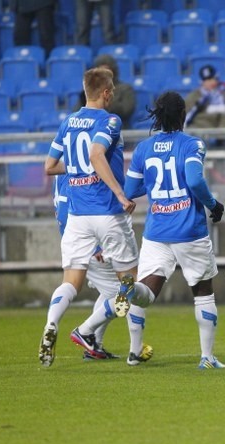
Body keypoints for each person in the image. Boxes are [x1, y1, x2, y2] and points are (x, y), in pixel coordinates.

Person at [39, 67, 140, 367]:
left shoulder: (68, 122)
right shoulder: (110, 120)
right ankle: (90, 332)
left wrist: (77, 170)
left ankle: (51, 323)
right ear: (107, 92)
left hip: (78, 217)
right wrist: (120, 195)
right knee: (131, 285)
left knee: (71, 282)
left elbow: (49, 166)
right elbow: (97, 155)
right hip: (107, 213)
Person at [122, 90, 225, 370]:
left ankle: (134, 352)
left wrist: (156, 185)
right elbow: (194, 180)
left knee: (146, 291)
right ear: (183, 115)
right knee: (203, 292)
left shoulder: (143, 149)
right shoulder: (193, 144)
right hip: (189, 231)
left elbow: (130, 190)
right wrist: (213, 205)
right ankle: (206, 357)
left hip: (156, 231)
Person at [50, 171, 151, 362]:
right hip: (95, 243)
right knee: (129, 289)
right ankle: (134, 350)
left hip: (86, 240)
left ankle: (94, 346)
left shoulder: (67, 168)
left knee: (109, 293)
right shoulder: (74, 171)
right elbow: (65, 211)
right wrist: (95, 245)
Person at [74, 54, 136, 128]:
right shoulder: (91, 90)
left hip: (118, 129)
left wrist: (102, 103)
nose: (103, 74)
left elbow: (127, 110)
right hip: (93, 129)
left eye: (106, 70)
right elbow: (77, 111)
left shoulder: (125, 88)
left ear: (113, 71)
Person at [183, 65, 225, 129]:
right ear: (202, 82)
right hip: (195, 131)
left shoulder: (224, 96)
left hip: (214, 132)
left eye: (213, 79)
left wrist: (221, 133)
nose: (211, 82)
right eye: (207, 80)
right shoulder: (193, 96)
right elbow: (183, 115)